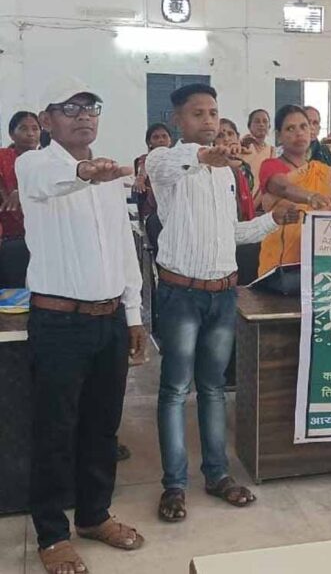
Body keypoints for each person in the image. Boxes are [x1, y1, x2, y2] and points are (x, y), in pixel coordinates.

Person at [145, 84, 299, 523]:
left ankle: (217, 475)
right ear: (178, 120)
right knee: (176, 389)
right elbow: (177, 161)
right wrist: (205, 156)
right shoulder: (163, 162)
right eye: (197, 114)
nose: (208, 121)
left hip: (222, 294)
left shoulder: (226, 174)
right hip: (180, 294)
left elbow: (231, 233)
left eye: (213, 113)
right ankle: (174, 485)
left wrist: (272, 220)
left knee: (213, 387)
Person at [17, 77, 147, 574]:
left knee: (102, 427)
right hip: (59, 322)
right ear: (46, 120)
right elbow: (53, 181)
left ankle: (94, 516)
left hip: (109, 320)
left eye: (90, 107)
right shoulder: (34, 165)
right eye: (70, 108)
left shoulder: (109, 173)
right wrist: (84, 172)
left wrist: (133, 314)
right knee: (54, 431)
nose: (83, 116)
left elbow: (123, 248)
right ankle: (52, 534)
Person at [257, 105, 331, 294]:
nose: (299, 133)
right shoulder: (271, 165)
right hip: (280, 270)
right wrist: (311, 197)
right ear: (279, 136)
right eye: (290, 128)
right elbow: (283, 188)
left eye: (303, 126)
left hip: (315, 263)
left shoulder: (323, 172)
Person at [0, 111, 40, 287]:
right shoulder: (2, 158)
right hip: (8, 237)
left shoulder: (47, 162)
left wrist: (22, 191)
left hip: (41, 237)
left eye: (35, 129)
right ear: (11, 134)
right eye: (23, 128)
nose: (30, 134)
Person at [215, 118, 256, 221]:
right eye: (220, 136)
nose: (226, 139)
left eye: (230, 134)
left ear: (237, 137)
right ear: (213, 142)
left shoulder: (244, 165)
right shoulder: (214, 167)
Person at [132, 122, 173, 221]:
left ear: (170, 140)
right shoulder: (145, 159)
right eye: (156, 137)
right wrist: (140, 178)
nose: (161, 140)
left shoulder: (177, 159)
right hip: (154, 212)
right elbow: (143, 168)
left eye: (164, 136)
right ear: (149, 142)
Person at [241, 108, 277, 199]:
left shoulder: (272, 151)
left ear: (269, 127)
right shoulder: (242, 147)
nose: (261, 124)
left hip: (264, 200)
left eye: (265, 121)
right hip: (243, 197)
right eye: (257, 121)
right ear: (249, 126)